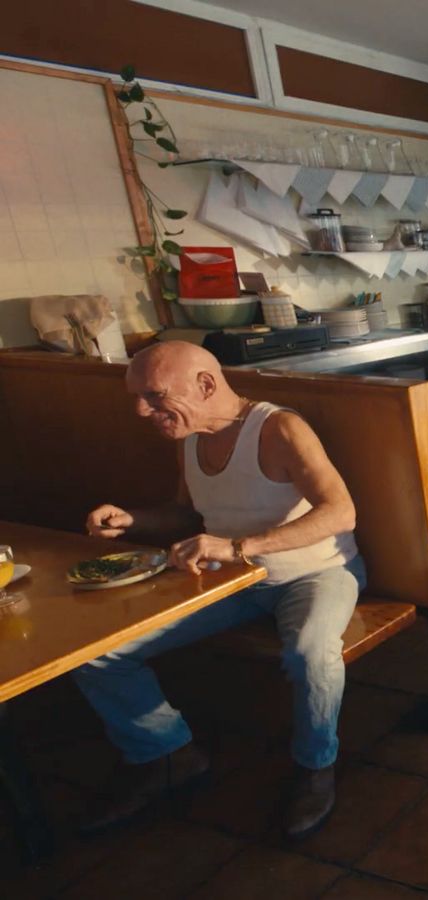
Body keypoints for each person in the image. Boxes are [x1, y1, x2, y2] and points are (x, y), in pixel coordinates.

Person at [75, 341, 364, 840]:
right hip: (232, 580)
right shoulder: (191, 435)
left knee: (311, 652)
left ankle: (316, 768)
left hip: (316, 573)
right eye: (137, 398)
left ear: (206, 385)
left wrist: (239, 546)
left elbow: (341, 512)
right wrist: (134, 519)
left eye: (154, 395)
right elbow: (190, 513)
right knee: (97, 652)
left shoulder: (280, 428)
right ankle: (168, 754)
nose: (142, 410)